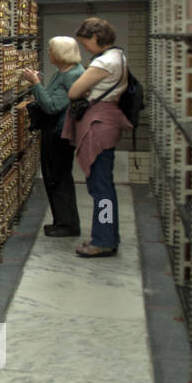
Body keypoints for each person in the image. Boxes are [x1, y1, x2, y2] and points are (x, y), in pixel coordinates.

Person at [63, 16, 133, 258]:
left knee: (101, 187)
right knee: (103, 186)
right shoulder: (119, 56)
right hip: (108, 120)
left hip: (99, 125)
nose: (85, 48)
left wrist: (86, 88)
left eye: (85, 43)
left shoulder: (104, 62)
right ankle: (107, 235)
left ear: (96, 37)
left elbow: (74, 91)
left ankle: (103, 240)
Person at [22, 36, 84, 237]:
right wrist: (38, 84)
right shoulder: (64, 72)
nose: (48, 53)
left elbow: (51, 106)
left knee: (58, 177)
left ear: (60, 53)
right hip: (55, 131)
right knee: (54, 177)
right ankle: (61, 221)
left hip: (60, 134)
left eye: (50, 50)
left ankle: (68, 225)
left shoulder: (72, 75)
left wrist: (36, 83)